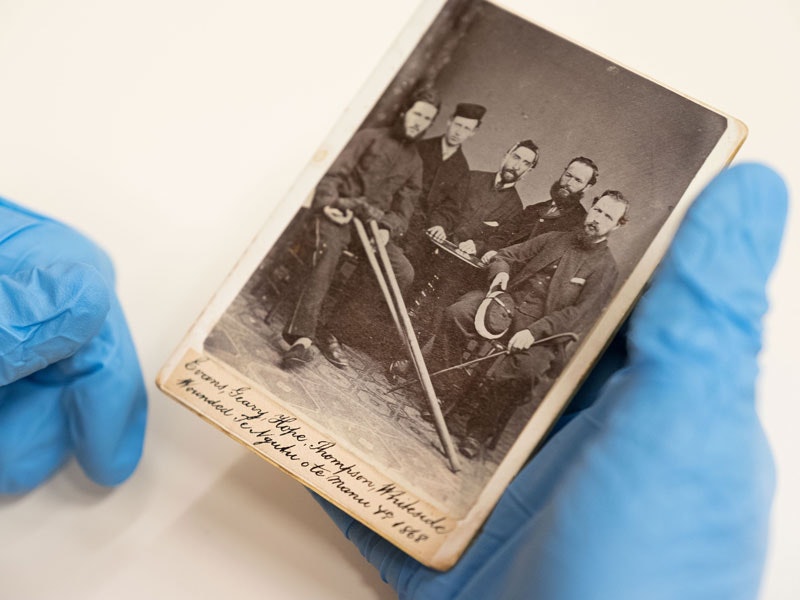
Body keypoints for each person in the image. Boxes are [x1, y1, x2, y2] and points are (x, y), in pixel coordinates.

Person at [0, 164, 787, 600]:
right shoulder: (551, 227)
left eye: (609, 213)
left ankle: (472, 422)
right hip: (493, 300)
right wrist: (504, 279)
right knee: (453, 307)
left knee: (521, 361)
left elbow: (567, 324)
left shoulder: (607, 263)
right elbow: (521, 256)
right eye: (597, 209)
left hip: (535, 341)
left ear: (615, 224)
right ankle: (419, 385)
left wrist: (529, 326)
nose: (597, 221)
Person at [279, 88, 441, 369]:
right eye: (417, 114)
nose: (419, 122)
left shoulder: (415, 163)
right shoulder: (370, 138)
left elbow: (404, 211)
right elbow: (332, 175)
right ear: (405, 111)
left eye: (426, 119)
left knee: (402, 271)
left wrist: (388, 228)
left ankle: (333, 328)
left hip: (371, 228)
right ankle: (302, 338)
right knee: (328, 253)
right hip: (339, 215)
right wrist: (329, 203)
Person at [405, 102, 486, 264]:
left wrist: (439, 225)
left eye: (466, 128)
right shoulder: (419, 148)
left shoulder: (462, 169)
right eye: (458, 124)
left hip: (419, 231)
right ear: (449, 121)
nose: (459, 132)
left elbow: (450, 208)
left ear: (473, 132)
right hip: (398, 214)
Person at [496, 156, 599, 258]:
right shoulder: (533, 209)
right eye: (568, 175)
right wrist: (492, 251)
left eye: (578, 180)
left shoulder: (580, 222)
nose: (568, 183)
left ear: (587, 187)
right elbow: (502, 234)